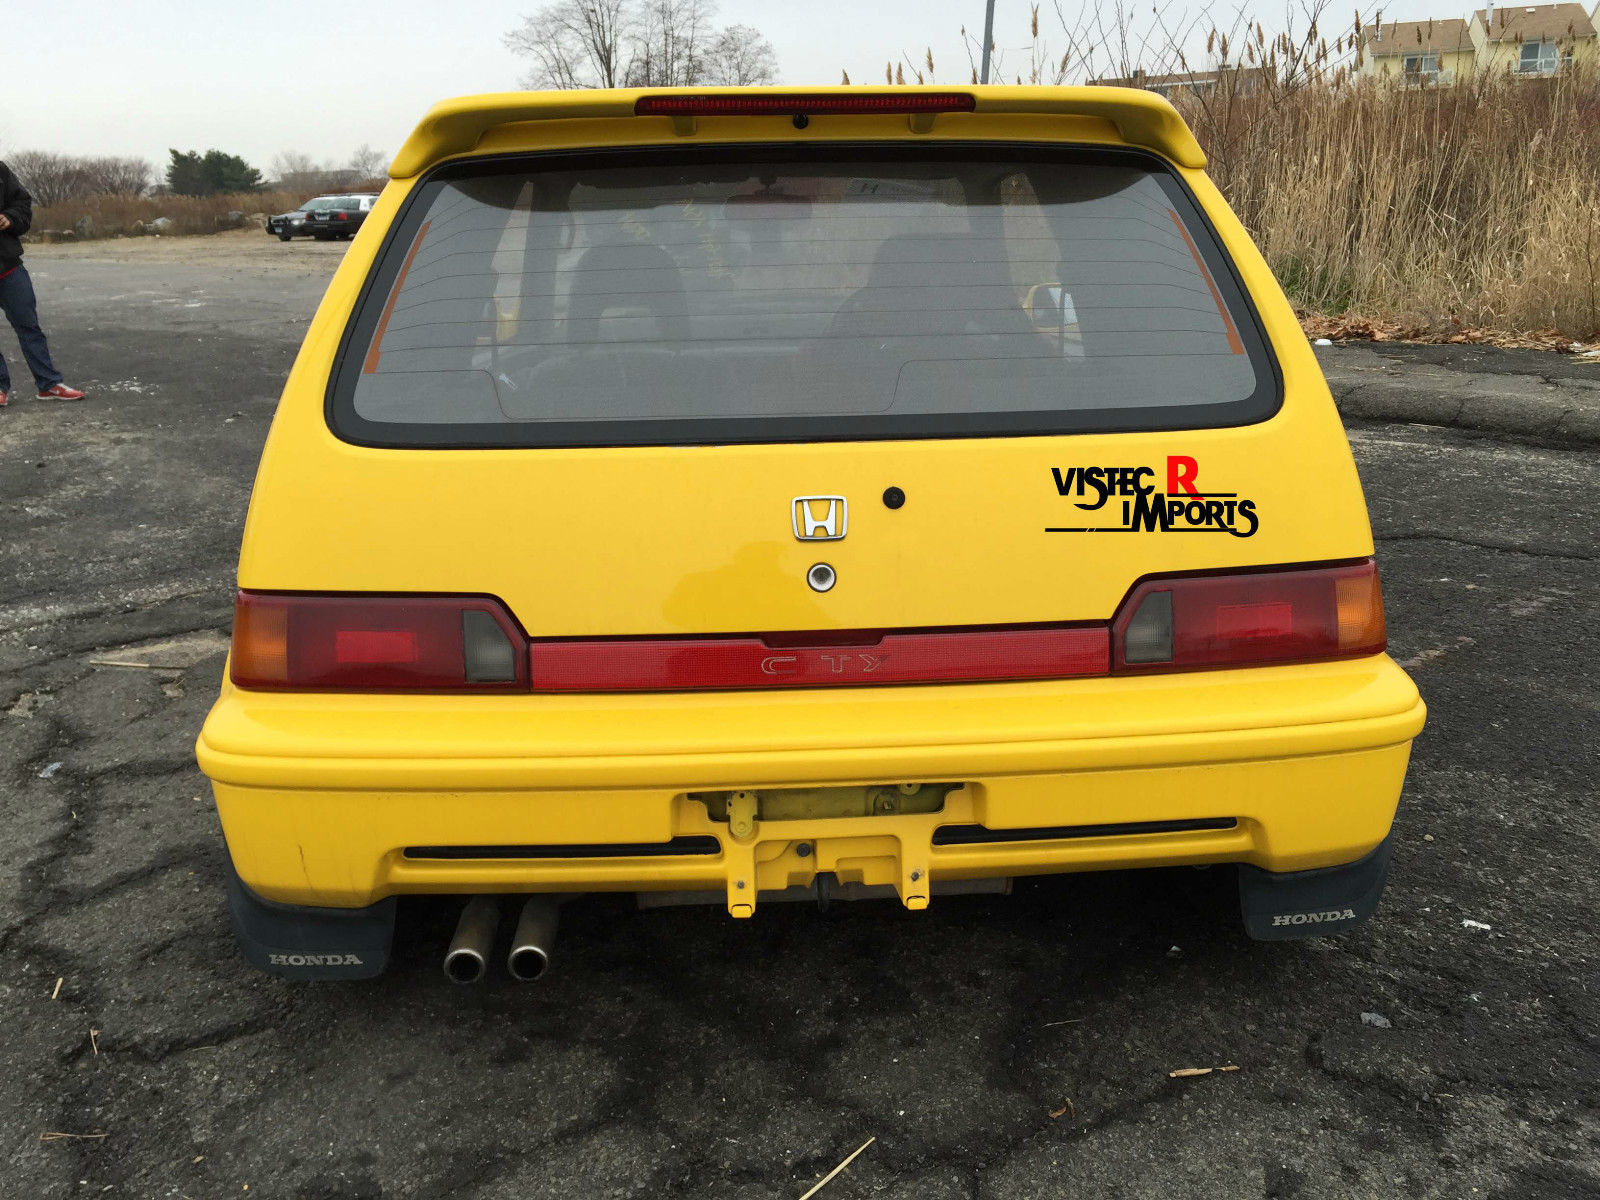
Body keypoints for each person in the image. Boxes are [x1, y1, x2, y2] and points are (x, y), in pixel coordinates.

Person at [0, 159, 85, 407]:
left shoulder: (1, 170)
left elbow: (23, 204)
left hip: (8, 267)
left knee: (29, 327)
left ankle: (48, 384)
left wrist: (10, 218)